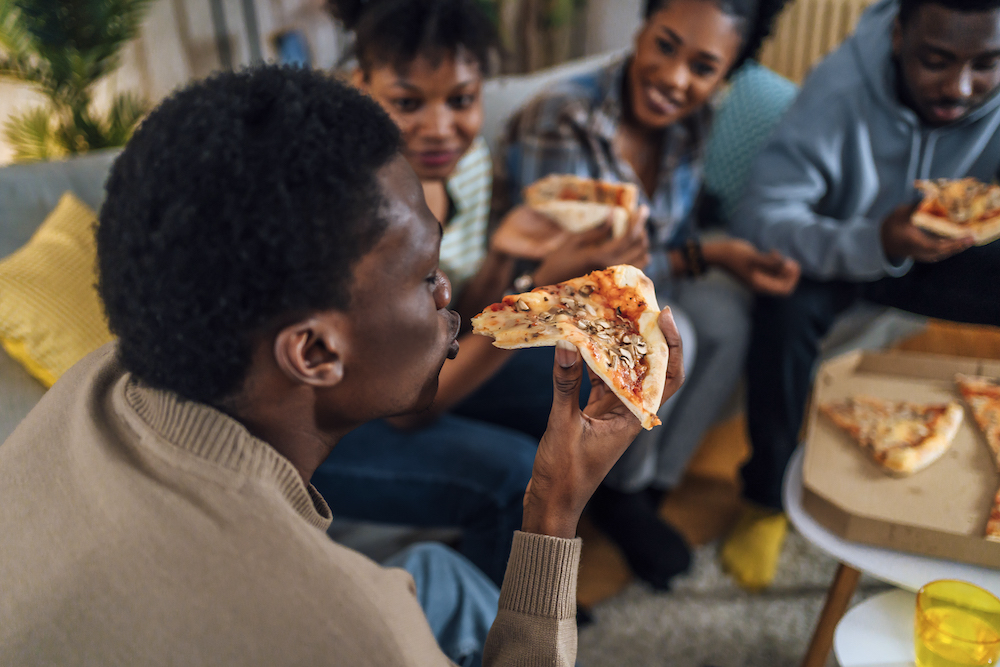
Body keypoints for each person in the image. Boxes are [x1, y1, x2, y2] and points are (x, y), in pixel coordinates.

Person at [0, 66, 685, 665]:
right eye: (425, 275)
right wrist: (553, 508)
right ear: (316, 351)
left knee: (440, 578)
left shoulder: (98, 379)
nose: (448, 292)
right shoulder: (357, 631)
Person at [319, 0, 651, 586]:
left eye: (461, 100)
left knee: (574, 379)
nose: (441, 128)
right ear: (358, 87)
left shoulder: (466, 166)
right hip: (332, 422)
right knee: (512, 477)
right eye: (407, 102)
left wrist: (503, 257)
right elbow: (410, 401)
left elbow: (453, 314)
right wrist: (538, 294)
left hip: (410, 377)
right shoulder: (354, 209)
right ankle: (490, 627)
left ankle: (540, 564)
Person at [489, 0, 799, 590]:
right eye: (665, 46)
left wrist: (716, 254)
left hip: (645, 282)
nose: (675, 78)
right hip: (543, 306)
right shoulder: (562, 118)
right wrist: (709, 255)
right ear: (644, 28)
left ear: (725, 77)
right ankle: (622, 489)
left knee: (730, 318)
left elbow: (664, 240)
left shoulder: (694, 122)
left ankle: (642, 491)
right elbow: (582, 280)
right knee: (678, 333)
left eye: (703, 67)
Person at [726, 0, 1000, 590]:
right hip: (847, 246)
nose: (960, 86)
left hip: (958, 257)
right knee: (783, 302)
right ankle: (764, 497)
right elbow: (759, 218)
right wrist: (876, 239)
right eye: (935, 60)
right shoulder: (840, 86)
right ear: (900, 33)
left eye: (987, 64)